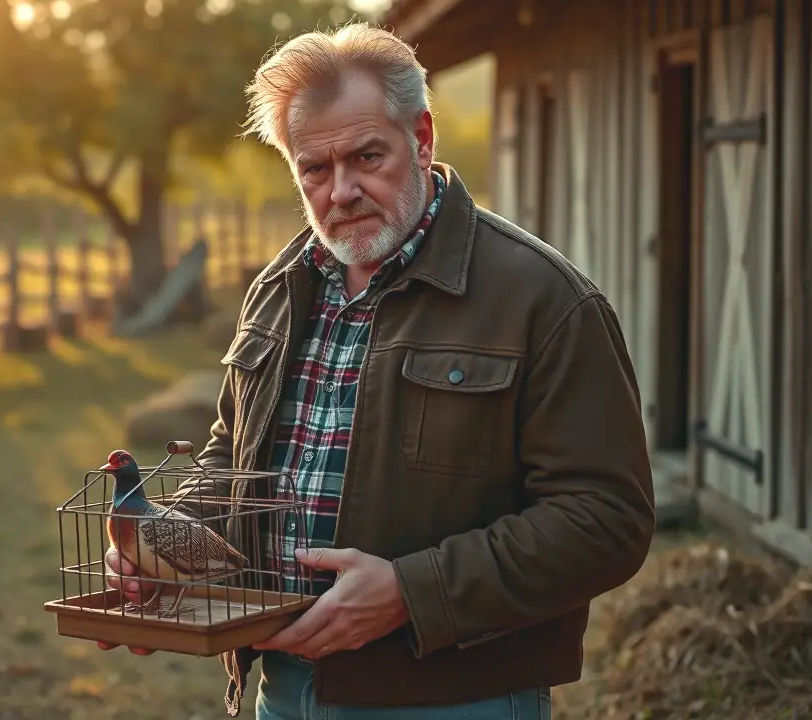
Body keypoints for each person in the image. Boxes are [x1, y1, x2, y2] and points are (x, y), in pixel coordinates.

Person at [98, 21, 656, 720]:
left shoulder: (545, 299)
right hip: (283, 690)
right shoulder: (278, 288)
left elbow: (606, 520)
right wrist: (165, 541)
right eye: (315, 169)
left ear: (421, 139)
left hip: (457, 700)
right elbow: (233, 460)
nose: (341, 191)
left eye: (366, 156)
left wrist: (411, 593)